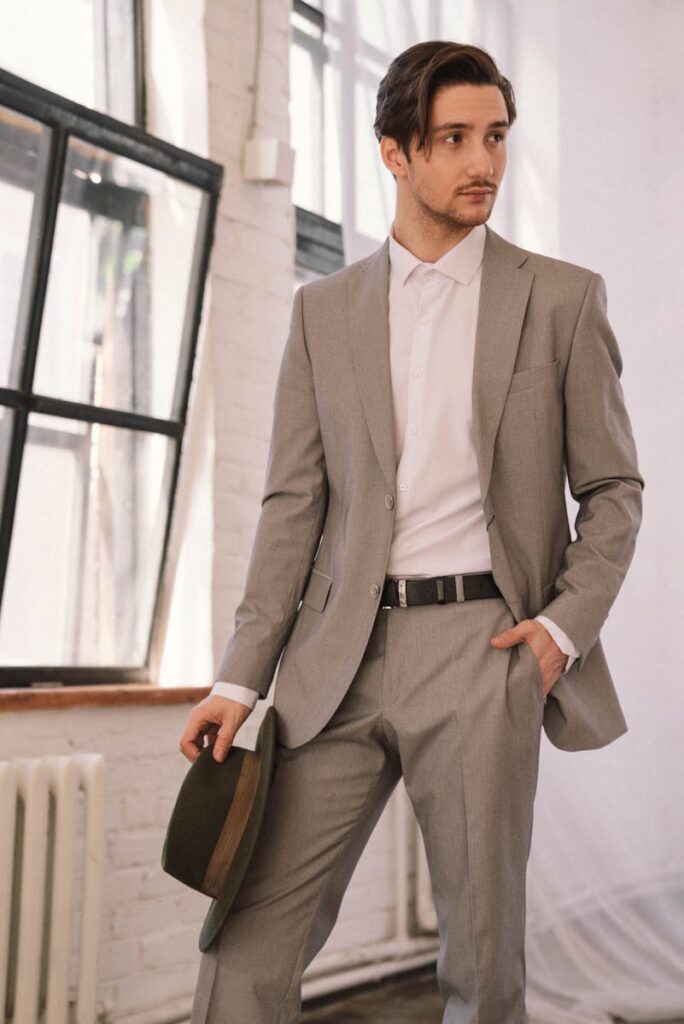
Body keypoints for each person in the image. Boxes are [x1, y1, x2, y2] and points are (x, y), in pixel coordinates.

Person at [181, 40, 644, 1024]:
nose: (483, 163)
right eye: (454, 139)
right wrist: (239, 675)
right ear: (395, 151)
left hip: (484, 649)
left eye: (497, 138)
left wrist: (560, 634)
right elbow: (291, 506)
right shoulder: (324, 313)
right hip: (336, 656)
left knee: (482, 953)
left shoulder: (559, 299)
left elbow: (612, 488)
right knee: (249, 931)